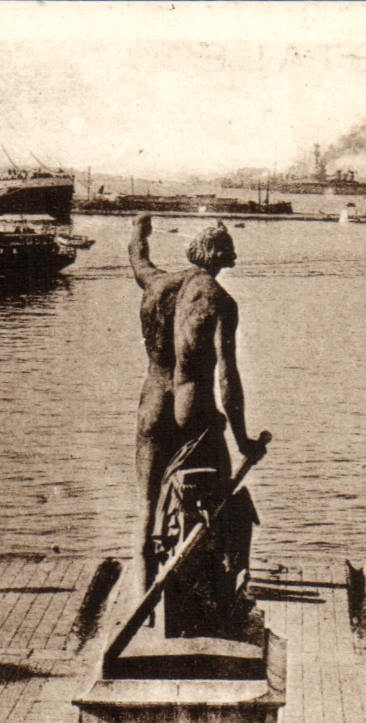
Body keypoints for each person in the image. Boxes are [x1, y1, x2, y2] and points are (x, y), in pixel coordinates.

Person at [128, 214, 266, 626]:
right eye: (231, 248)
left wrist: (140, 228)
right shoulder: (220, 300)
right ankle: (217, 586)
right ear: (220, 254)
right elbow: (227, 376)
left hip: (153, 401)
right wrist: (242, 440)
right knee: (220, 497)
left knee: (146, 504)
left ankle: (142, 598)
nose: (235, 254)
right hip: (194, 408)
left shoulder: (157, 284)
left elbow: (137, 257)